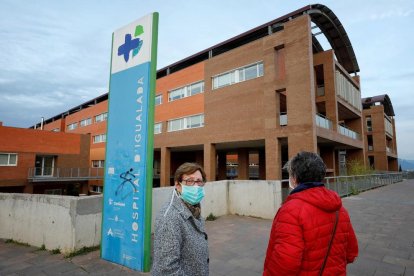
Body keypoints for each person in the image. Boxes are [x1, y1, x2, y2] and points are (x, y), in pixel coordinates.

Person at [263, 151, 358, 275]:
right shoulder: (339, 209)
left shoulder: (291, 210)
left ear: (295, 178)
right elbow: (351, 252)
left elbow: (286, 261)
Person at [152, 162, 209, 276]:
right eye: (189, 181)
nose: (196, 186)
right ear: (178, 185)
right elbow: (166, 270)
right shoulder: (170, 218)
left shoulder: (194, 209)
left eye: (199, 181)